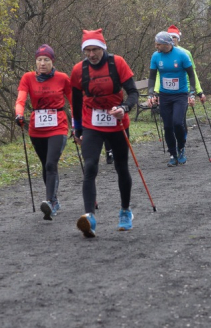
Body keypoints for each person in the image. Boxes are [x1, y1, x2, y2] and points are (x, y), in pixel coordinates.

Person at [70, 29, 139, 237]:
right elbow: (75, 101)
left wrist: (124, 108)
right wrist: (77, 127)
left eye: (95, 49)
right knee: (90, 166)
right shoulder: (78, 70)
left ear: (103, 48)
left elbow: (133, 93)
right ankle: (89, 217)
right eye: (88, 50)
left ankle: (125, 211)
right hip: (92, 121)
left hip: (117, 121)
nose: (91, 54)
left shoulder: (117, 63)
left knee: (120, 166)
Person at [15, 44, 72, 221]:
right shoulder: (28, 78)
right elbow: (21, 99)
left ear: (52, 61)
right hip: (37, 128)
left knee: (50, 164)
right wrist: (18, 113)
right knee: (45, 165)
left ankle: (50, 202)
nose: (42, 63)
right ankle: (54, 200)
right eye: (39, 60)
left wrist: (78, 123)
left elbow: (74, 101)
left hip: (58, 126)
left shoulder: (62, 78)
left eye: (46, 60)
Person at [147, 31, 200, 167]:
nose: (156, 46)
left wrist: (192, 92)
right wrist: (151, 93)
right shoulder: (155, 56)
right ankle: (172, 154)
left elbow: (191, 74)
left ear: (166, 44)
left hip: (180, 95)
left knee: (177, 123)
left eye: (158, 44)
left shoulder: (182, 55)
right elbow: (152, 76)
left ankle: (181, 148)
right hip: (164, 96)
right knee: (168, 126)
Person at [155, 25, 206, 142]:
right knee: (169, 122)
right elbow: (159, 75)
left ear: (178, 39)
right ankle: (173, 144)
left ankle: (182, 142)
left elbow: (192, 73)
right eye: (171, 37)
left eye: (175, 37)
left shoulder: (185, 53)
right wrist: (156, 91)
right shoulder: (159, 54)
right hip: (166, 93)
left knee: (179, 120)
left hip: (184, 90)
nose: (173, 39)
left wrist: (198, 91)